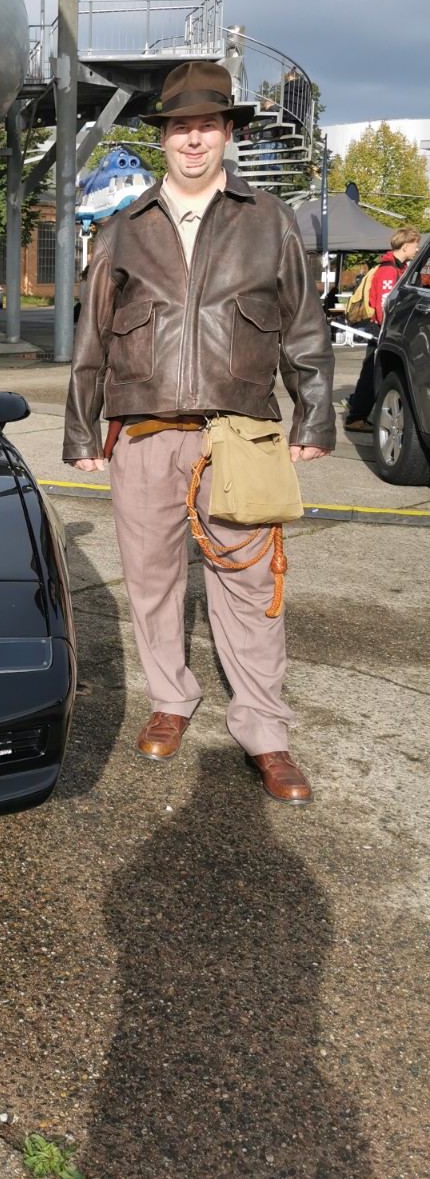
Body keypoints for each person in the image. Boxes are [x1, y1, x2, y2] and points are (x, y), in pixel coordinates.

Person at [63, 61, 335, 804]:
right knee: (151, 581)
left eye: (206, 125)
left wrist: (313, 411)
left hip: (239, 432)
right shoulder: (123, 229)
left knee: (250, 585)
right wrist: (81, 430)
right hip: (144, 433)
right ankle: (171, 698)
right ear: (164, 138)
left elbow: (304, 327)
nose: (193, 139)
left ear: (227, 133)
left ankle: (265, 731)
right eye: (180, 126)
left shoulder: (269, 220)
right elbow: (92, 340)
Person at [343, 226, 422, 431]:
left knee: (373, 373)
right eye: (415, 245)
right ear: (405, 246)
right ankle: (356, 416)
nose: (417, 249)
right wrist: (389, 331)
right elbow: (384, 306)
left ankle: (356, 407)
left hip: (383, 330)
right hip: (382, 330)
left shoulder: (395, 267)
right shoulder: (388, 270)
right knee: (372, 374)